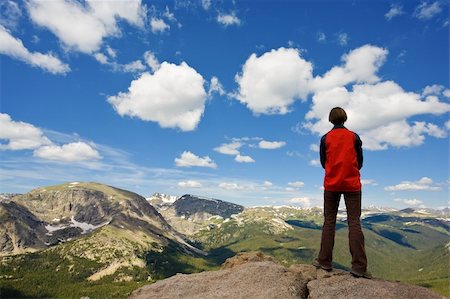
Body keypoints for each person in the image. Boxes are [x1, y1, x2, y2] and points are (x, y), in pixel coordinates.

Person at [313, 107, 371, 279]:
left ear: (331, 120)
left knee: (329, 222)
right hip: (352, 185)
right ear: (345, 118)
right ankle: (359, 267)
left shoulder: (325, 138)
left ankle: (324, 261)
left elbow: (324, 162)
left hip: (331, 184)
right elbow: (360, 161)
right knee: (354, 223)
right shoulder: (354, 137)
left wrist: (334, 171)